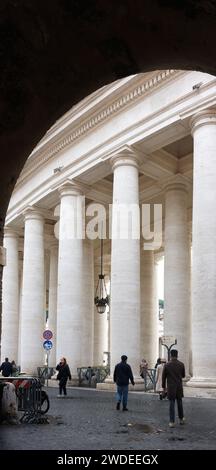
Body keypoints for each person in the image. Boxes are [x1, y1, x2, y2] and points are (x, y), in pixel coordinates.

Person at [162, 349, 185, 427]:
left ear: (170, 355)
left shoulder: (167, 365)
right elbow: (183, 375)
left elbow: (163, 377)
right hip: (179, 386)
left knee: (171, 404)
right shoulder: (181, 364)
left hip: (171, 387)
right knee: (180, 403)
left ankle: (172, 422)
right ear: (177, 355)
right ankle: (181, 419)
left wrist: (163, 387)